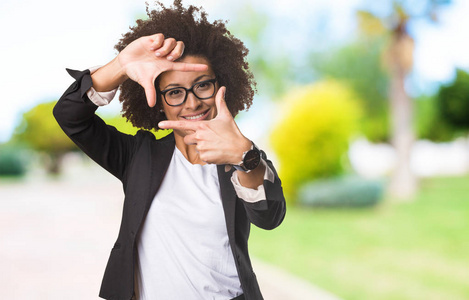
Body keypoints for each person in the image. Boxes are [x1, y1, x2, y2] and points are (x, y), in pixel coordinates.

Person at [53, 1, 286, 299]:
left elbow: (269, 218)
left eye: (203, 86)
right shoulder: (137, 156)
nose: (192, 103)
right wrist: (121, 66)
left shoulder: (242, 157)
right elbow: (70, 115)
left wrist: (245, 157)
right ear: (158, 100)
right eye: (175, 92)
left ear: (221, 87)